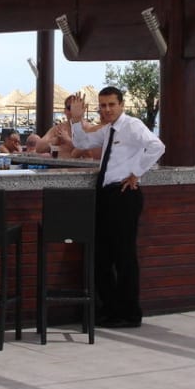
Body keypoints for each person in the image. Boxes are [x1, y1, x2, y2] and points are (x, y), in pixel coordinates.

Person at [67, 87, 165, 329]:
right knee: (103, 255)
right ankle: (110, 310)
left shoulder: (132, 125)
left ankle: (129, 314)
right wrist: (76, 120)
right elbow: (82, 142)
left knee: (124, 257)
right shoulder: (109, 129)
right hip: (106, 196)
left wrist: (137, 172)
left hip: (124, 196)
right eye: (103, 105)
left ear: (121, 104)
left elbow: (157, 146)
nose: (107, 109)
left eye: (111, 104)